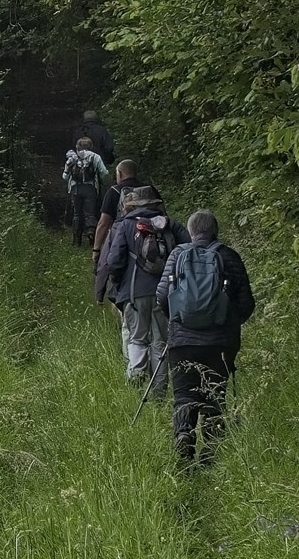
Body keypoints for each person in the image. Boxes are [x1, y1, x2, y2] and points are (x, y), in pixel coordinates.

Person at [157, 208, 256, 467]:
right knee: (214, 395)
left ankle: (183, 436)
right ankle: (210, 453)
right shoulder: (229, 256)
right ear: (215, 231)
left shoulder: (178, 255)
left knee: (184, 394)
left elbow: (162, 296)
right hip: (220, 344)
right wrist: (225, 322)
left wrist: (178, 320)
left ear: (190, 231)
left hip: (182, 343)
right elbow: (246, 304)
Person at [94, 188, 174, 390]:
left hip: (133, 293)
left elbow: (114, 261)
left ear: (131, 206)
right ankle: (159, 391)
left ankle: (136, 378)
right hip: (164, 294)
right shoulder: (168, 224)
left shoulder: (125, 225)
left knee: (137, 338)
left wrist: (118, 285)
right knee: (160, 342)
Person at [60, 136, 109, 245]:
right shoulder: (95, 157)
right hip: (90, 188)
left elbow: (65, 176)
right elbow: (104, 173)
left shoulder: (72, 157)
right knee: (90, 213)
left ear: (77, 146)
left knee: (77, 214)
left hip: (75, 188)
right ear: (91, 146)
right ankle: (91, 233)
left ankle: (77, 239)